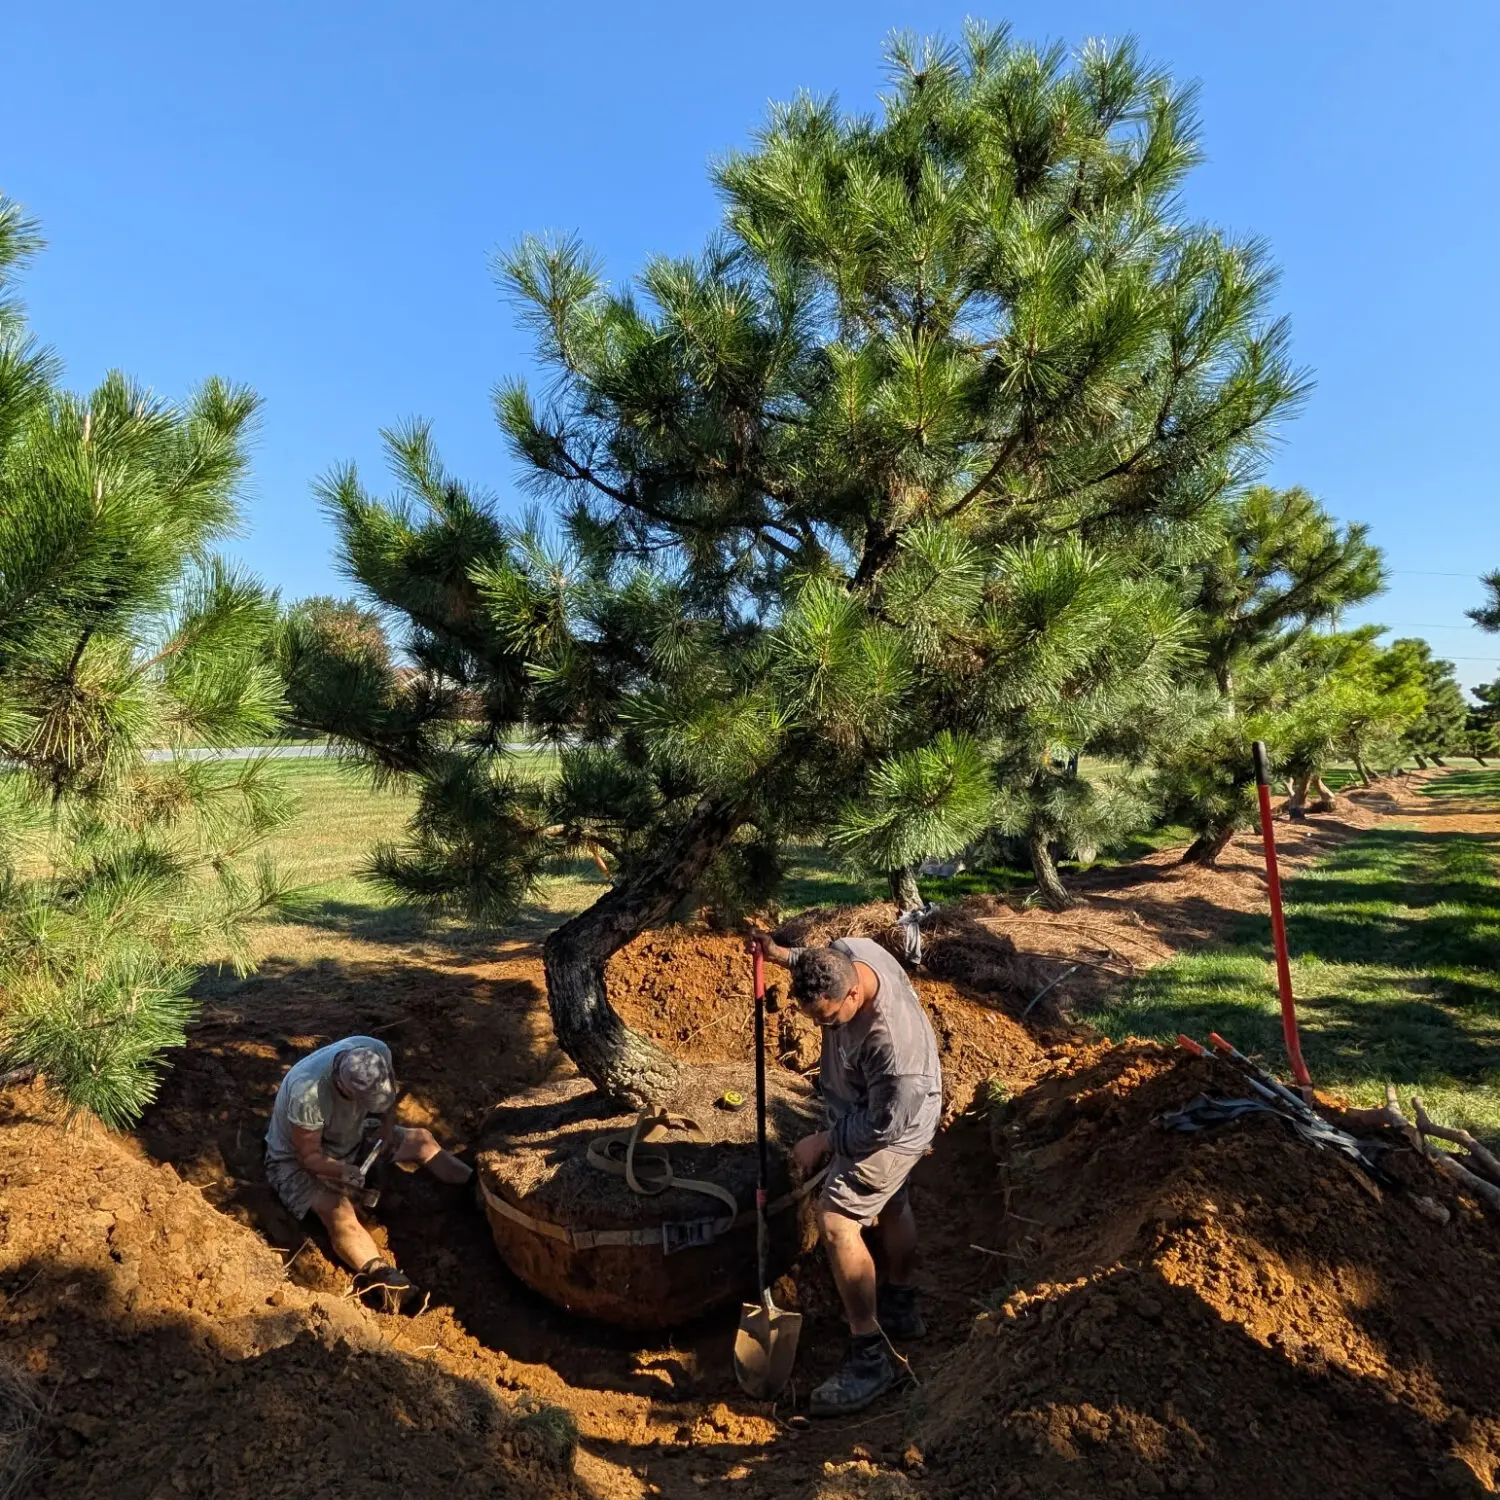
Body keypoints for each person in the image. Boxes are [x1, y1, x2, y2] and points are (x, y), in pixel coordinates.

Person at [750, 931, 942, 1416]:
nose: (825, 1027)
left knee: (836, 1219)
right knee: (892, 1202)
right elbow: (817, 959)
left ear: (853, 993)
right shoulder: (849, 953)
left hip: (894, 1125)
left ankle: (871, 1357)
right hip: (873, 1106)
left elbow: (883, 1125)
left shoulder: (894, 1053)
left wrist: (825, 1141)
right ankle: (899, 1306)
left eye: (828, 1018)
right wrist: (781, 956)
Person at [264, 1035, 472, 1309]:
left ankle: (476, 1186)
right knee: (339, 1212)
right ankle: (384, 1278)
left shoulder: (374, 1050)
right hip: (295, 1161)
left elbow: (388, 1100)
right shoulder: (308, 1093)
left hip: (354, 1135)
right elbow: (309, 1157)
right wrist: (342, 1170)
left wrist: (387, 1130)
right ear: (343, 1086)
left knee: (421, 1140)